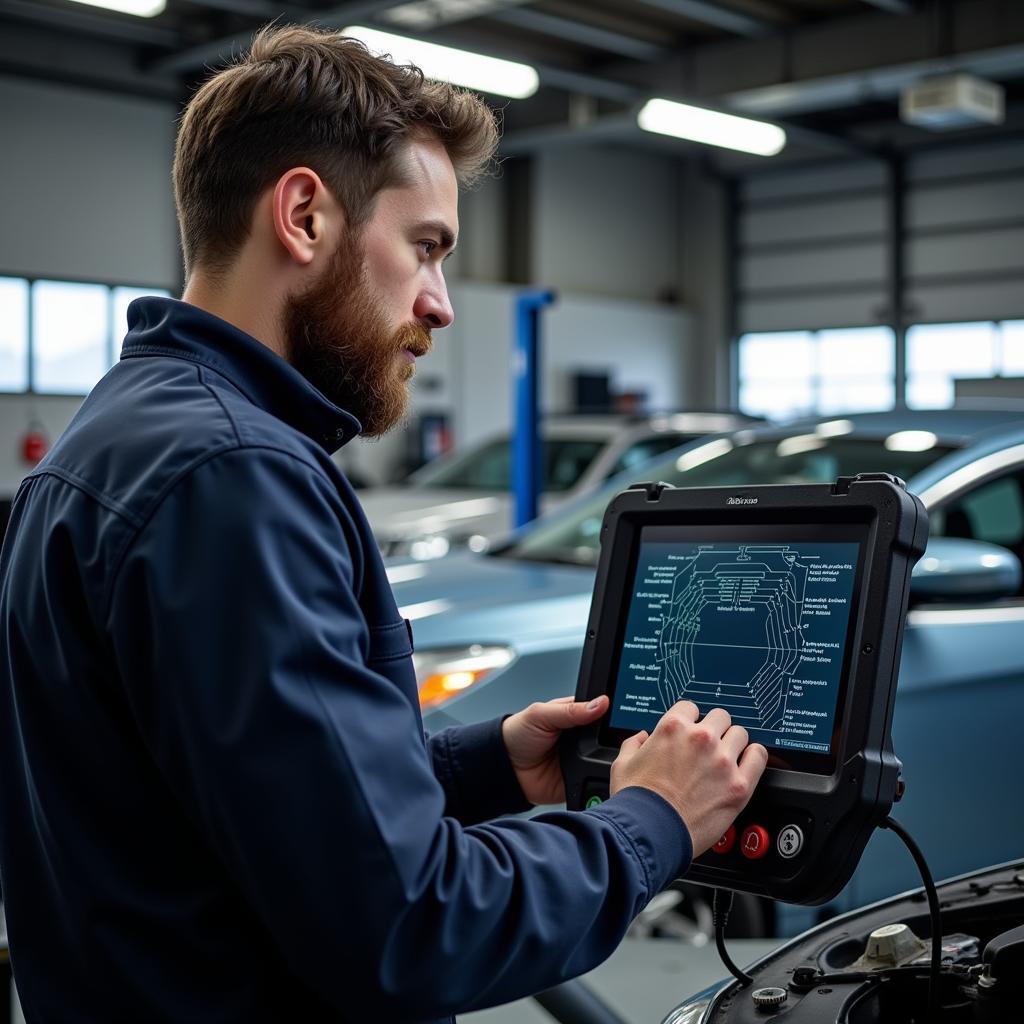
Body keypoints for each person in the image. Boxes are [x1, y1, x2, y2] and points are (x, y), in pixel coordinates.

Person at [0, 24, 767, 1024]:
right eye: (425, 248)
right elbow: (413, 924)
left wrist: (487, 762)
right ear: (306, 214)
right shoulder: (234, 477)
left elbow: (244, 807)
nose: (439, 304)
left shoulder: (121, 431)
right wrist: (651, 818)